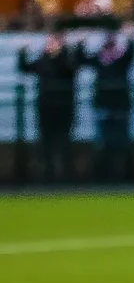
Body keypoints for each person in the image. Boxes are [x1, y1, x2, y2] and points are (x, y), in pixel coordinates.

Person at [17, 28, 84, 182]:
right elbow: (25, 68)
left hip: (64, 106)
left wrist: (64, 51)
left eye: (54, 42)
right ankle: (47, 175)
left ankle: (67, 175)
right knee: (46, 141)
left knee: (64, 140)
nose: (50, 45)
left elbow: (71, 69)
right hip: (45, 106)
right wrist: (22, 52)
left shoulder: (67, 59)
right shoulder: (43, 60)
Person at [90, 21, 134, 182]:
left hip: (119, 106)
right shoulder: (99, 59)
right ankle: (105, 176)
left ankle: (123, 175)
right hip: (104, 105)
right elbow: (81, 59)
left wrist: (131, 38)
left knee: (122, 143)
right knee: (104, 144)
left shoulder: (120, 60)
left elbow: (130, 55)